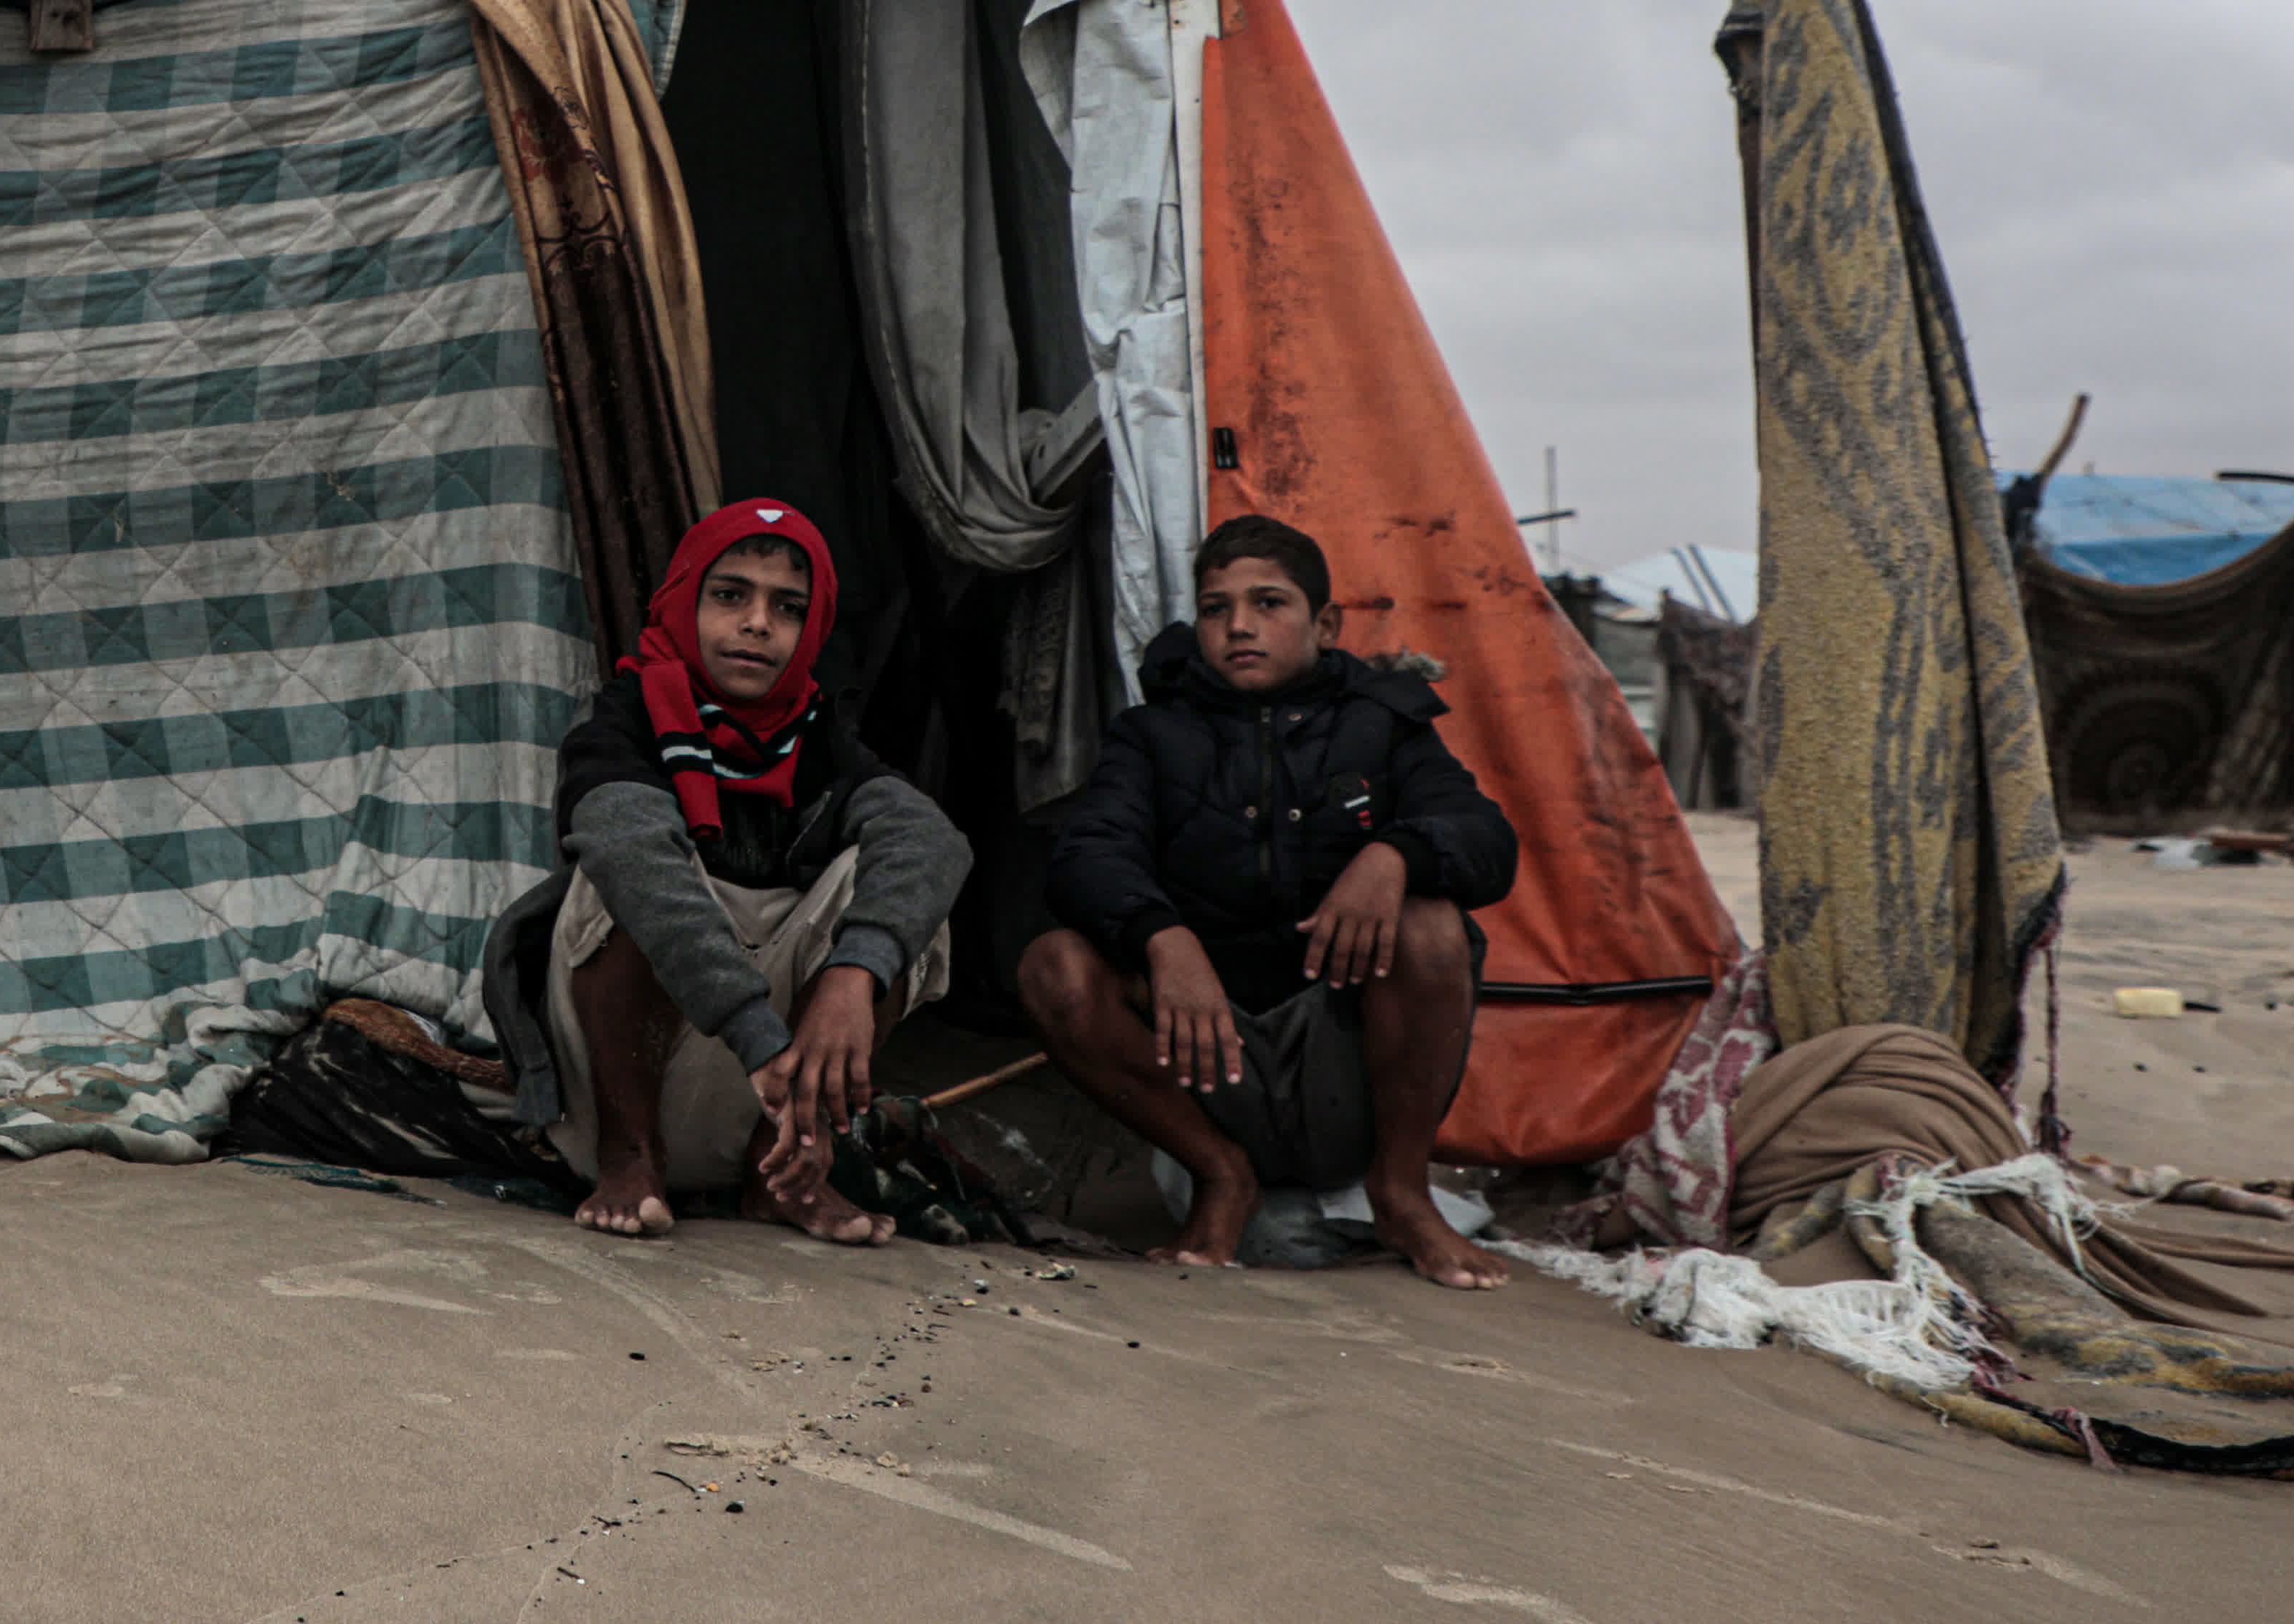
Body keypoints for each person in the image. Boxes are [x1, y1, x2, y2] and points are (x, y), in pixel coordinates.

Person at [1019, 512, 1517, 1288]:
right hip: (1213, 1057)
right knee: (1057, 964)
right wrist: (1164, 938)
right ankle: (1223, 1177)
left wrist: (1394, 854)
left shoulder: (1383, 724)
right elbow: (1087, 855)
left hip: (1344, 1063)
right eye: (1216, 607)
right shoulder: (1153, 734)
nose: (1239, 626)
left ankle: (1400, 1191)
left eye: (1268, 603)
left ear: (1323, 622)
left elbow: (1487, 841)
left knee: (1429, 923)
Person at [476, 500, 972, 1244]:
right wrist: (753, 1032)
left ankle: (780, 1173)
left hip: (767, 1102)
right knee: (626, 876)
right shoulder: (621, 724)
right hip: (638, 1084)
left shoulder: (820, 742)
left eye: (787, 606)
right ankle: (631, 1156)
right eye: (731, 594)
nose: (757, 622)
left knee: (905, 892)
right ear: (684, 602)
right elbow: (635, 852)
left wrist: (854, 976)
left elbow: (933, 840)